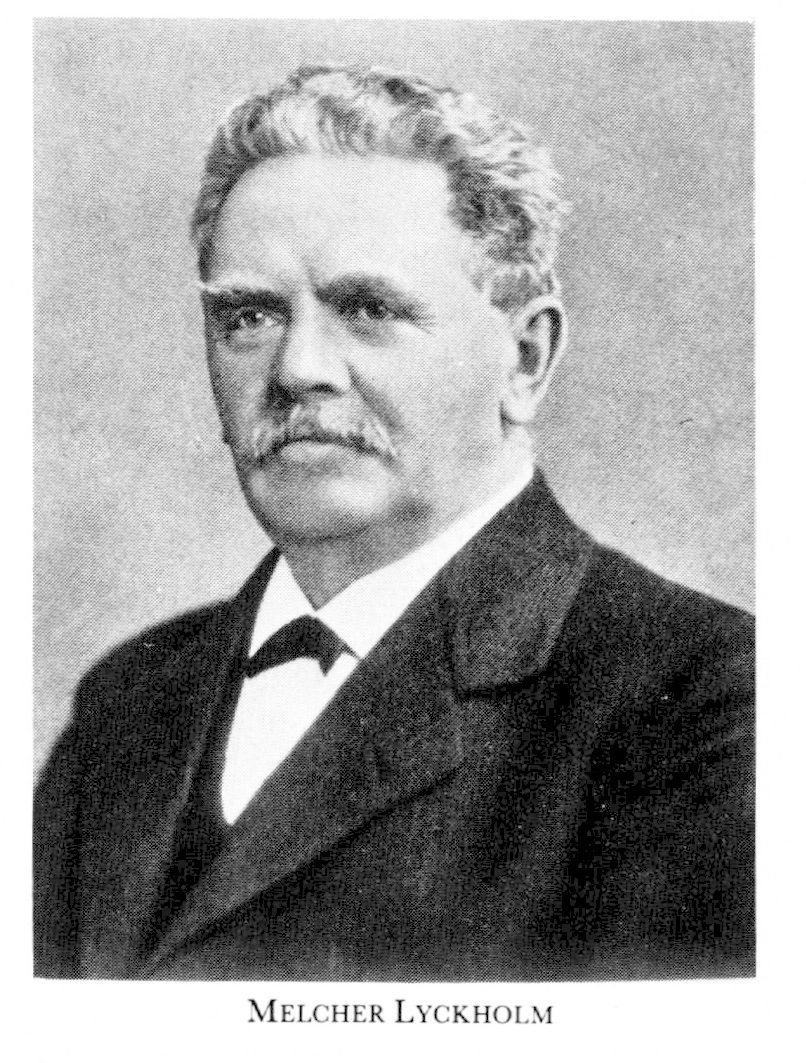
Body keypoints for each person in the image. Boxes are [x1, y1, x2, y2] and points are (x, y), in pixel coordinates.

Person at [34, 65, 753, 981]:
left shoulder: (701, 698)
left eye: (368, 309)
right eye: (249, 316)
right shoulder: (129, 699)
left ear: (524, 359)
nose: (297, 369)